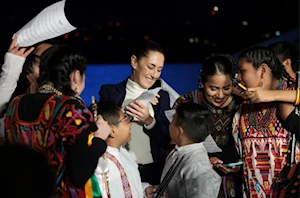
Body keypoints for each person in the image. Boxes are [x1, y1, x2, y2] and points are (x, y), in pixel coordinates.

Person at [4, 45, 110, 197]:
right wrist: (99, 139)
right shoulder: (71, 109)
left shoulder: (15, 104)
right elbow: (78, 176)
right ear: (75, 76)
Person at [99, 40, 174, 185]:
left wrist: (149, 121)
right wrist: (129, 111)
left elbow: (166, 139)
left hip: (153, 172)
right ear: (134, 62)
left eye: (159, 70)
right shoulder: (110, 92)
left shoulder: (161, 96)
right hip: (120, 169)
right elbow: (103, 129)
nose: (154, 75)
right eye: (151, 67)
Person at [232, 46, 299, 197]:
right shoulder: (243, 108)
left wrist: (274, 96)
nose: (238, 78)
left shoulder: (292, 97)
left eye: (242, 71)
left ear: (262, 70)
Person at [173, 54, 243, 198]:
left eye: (226, 88)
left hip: (236, 184)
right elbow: (173, 143)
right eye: (213, 88)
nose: (220, 95)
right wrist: (203, 160)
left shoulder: (242, 104)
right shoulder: (186, 103)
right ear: (201, 83)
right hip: (195, 181)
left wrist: (241, 164)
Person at [94, 101, 161, 198]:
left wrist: (144, 190)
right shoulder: (102, 165)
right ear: (111, 130)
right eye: (125, 120)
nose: (130, 124)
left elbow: (127, 185)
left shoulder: (123, 152)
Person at [162, 102, 221, 198]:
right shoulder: (180, 151)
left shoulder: (198, 167)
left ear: (179, 132)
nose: (169, 125)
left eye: (172, 121)